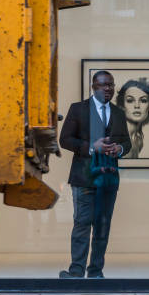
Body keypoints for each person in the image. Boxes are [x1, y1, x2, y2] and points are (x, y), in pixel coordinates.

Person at [59, 70, 131, 279]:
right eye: (103, 85)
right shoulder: (78, 109)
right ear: (93, 87)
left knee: (102, 225)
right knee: (82, 223)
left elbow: (127, 142)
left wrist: (120, 149)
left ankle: (96, 271)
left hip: (109, 178)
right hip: (83, 177)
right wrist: (92, 147)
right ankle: (76, 272)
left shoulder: (118, 113)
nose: (108, 88)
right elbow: (65, 139)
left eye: (110, 85)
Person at [115, 78, 149, 158]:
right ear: (122, 106)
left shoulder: (138, 138)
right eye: (130, 100)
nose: (137, 106)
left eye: (143, 101)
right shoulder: (115, 139)